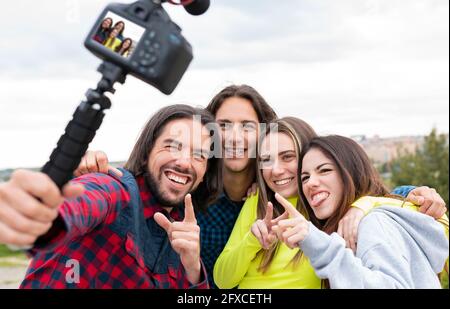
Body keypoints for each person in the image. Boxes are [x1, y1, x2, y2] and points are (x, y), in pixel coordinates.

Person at [73, 85, 278, 287]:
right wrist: (83, 170)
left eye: (247, 126)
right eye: (223, 125)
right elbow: (91, 201)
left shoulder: (275, 197)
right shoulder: (184, 196)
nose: (234, 137)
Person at [0, 104, 222, 288]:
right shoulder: (114, 188)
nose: (184, 162)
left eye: (199, 155)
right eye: (172, 146)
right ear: (146, 154)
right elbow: (81, 203)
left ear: (204, 174)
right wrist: (35, 211)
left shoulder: (185, 232)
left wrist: (193, 269)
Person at [213, 117, 448, 288]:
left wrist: (362, 206)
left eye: (288, 157)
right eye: (265, 160)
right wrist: (252, 240)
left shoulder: (330, 210)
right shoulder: (261, 202)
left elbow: (417, 216)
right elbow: (223, 280)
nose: (275, 170)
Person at [272, 135, 449, 288]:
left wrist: (319, 245)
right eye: (305, 177)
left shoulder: (375, 222)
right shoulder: (360, 222)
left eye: (324, 170)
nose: (310, 183)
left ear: (352, 172)